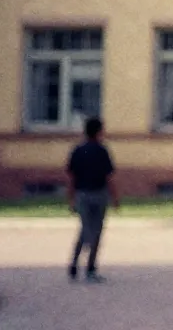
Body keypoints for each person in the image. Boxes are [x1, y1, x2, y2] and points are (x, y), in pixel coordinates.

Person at [66, 117, 118, 282]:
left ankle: (74, 264)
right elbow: (109, 177)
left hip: (82, 194)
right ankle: (90, 268)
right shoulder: (102, 150)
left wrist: (71, 198)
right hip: (99, 194)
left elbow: (71, 177)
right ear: (99, 131)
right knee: (96, 231)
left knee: (85, 229)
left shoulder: (77, 150)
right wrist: (115, 197)